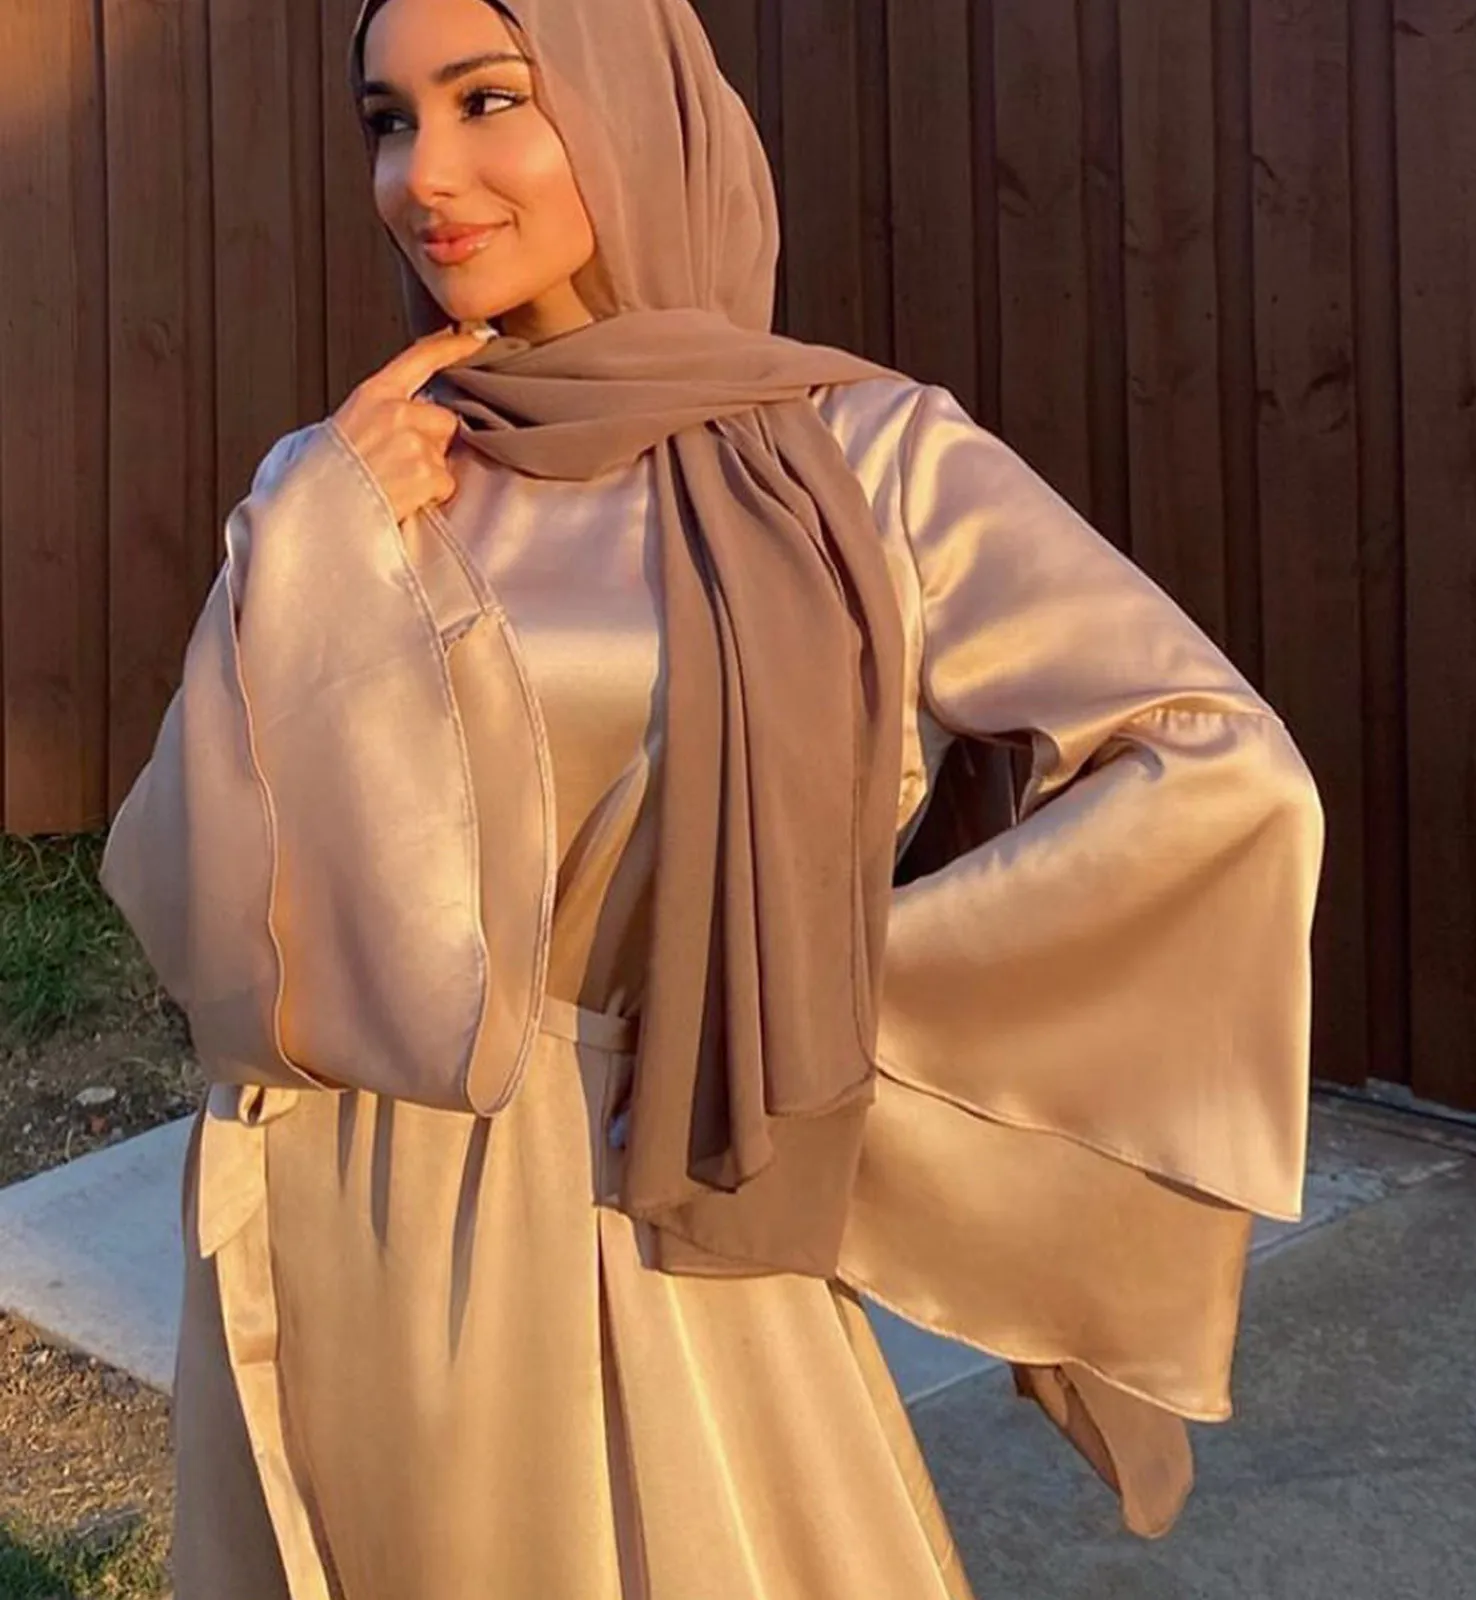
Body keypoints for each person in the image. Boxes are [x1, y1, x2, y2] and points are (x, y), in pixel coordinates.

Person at [99, 0, 1325, 1594]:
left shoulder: (859, 459)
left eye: (489, 100)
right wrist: (306, 542)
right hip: (328, 1200)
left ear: (632, 107)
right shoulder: (357, 469)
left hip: (638, 1194)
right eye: (387, 121)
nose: (424, 176)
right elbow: (194, 905)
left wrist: (809, 1018)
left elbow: (1217, 768)